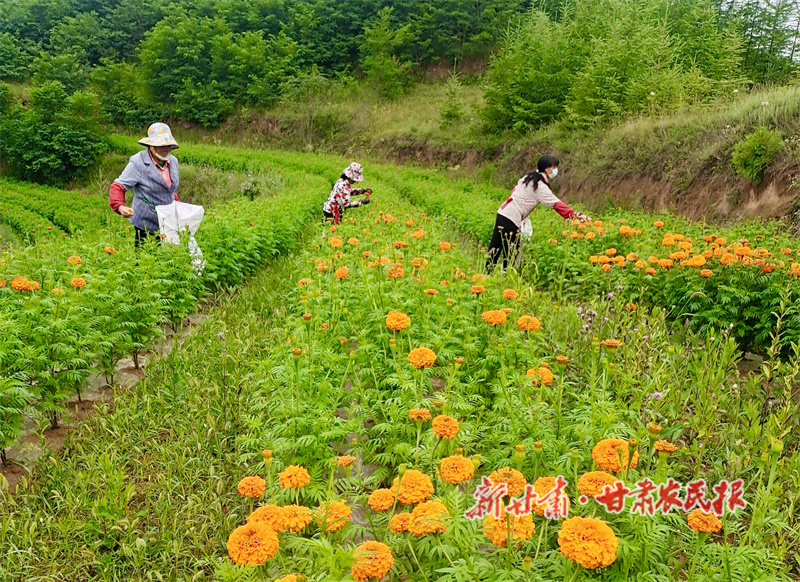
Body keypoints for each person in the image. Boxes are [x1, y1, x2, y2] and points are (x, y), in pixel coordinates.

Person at [486, 155, 589, 272]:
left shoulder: (528, 177)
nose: (556, 170)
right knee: (511, 251)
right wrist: (576, 215)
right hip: (511, 217)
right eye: (554, 167)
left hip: (503, 212)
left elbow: (514, 190)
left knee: (495, 247)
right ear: (547, 169)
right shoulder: (540, 186)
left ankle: (487, 273)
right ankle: (506, 275)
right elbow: (556, 204)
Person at [109, 123, 181, 247]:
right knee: (145, 254)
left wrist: (178, 206)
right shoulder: (138, 162)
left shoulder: (173, 161)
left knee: (168, 254)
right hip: (146, 221)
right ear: (151, 146)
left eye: (168, 144)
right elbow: (118, 186)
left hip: (168, 220)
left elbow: (168, 189)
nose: (165, 148)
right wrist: (120, 206)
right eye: (160, 145)